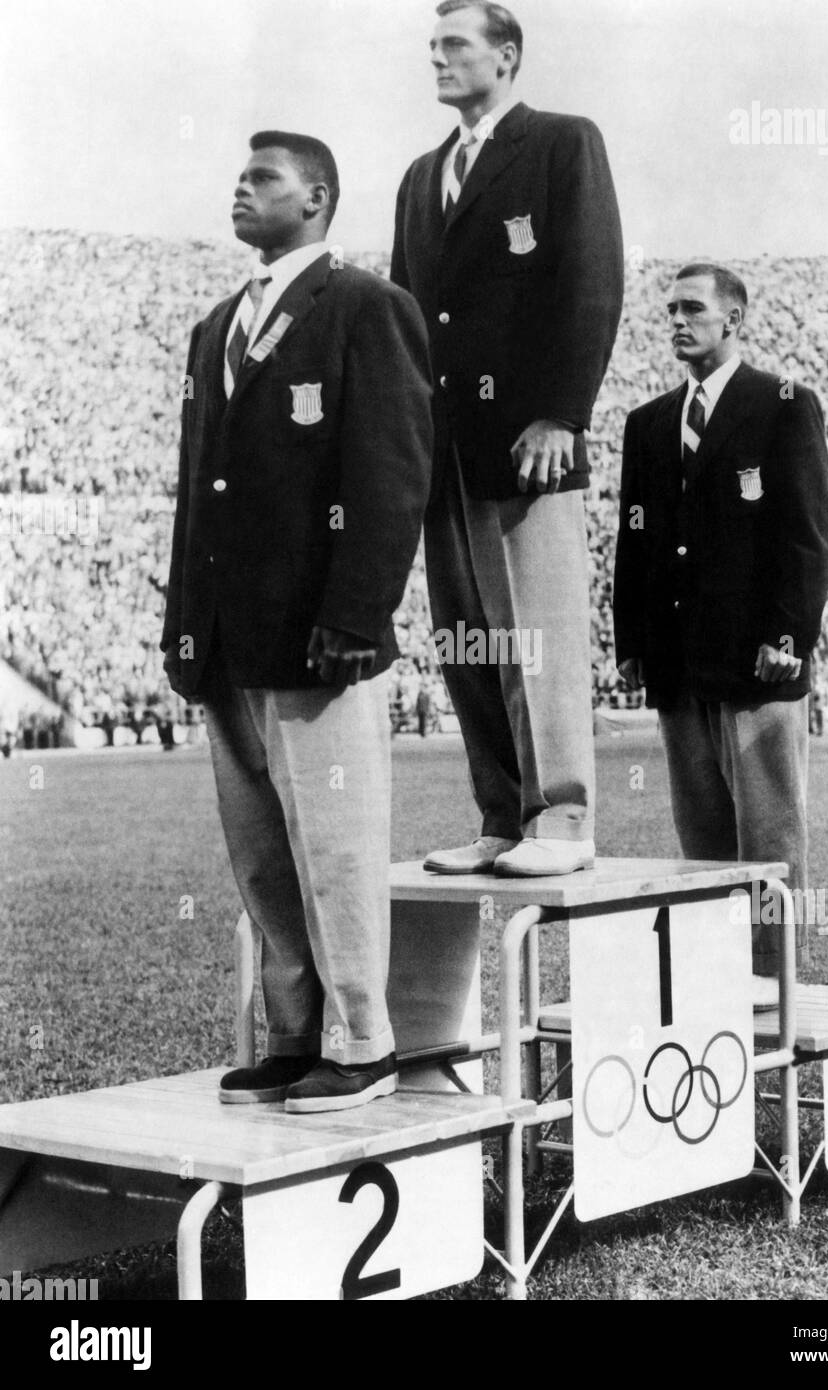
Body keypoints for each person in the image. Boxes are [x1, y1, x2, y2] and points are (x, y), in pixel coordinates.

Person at [161, 132, 433, 1109]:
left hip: (324, 636)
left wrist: (359, 611)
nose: (242, 187)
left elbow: (394, 470)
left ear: (316, 197)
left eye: (263, 176)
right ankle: (293, 1031)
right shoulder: (213, 329)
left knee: (336, 840)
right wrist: (184, 628)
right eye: (239, 172)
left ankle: (364, 1038)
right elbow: (200, 491)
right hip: (230, 637)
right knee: (262, 852)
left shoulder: (365, 308)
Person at [391, 0, 623, 876]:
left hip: (531, 439)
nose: (438, 61)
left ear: (507, 55)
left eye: (454, 45)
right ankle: (500, 815)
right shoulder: (421, 175)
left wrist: (562, 412)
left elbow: (591, 277)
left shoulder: (564, 143)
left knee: (536, 631)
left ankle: (561, 819)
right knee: (468, 636)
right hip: (444, 446)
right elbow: (409, 314)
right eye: (432, 48)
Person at [613, 263, 828, 1007]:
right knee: (701, 838)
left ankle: (774, 983)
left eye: (692, 309)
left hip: (756, 660)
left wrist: (787, 634)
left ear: (732, 318)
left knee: (770, 837)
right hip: (680, 663)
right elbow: (634, 542)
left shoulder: (781, 404)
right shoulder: (647, 423)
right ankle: (717, 983)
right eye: (669, 308)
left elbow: (805, 532)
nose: (676, 321)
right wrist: (633, 641)